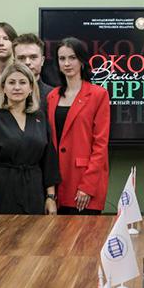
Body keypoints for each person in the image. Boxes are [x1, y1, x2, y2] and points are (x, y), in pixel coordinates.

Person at [0, 63, 60, 220]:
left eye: (22, 82)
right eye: (11, 82)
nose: (17, 87)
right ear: (3, 88)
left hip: (34, 195)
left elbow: (49, 161)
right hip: (1, 194)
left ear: (31, 88)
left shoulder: (39, 117)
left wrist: (50, 197)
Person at [46, 37, 110, 215]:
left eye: (72, 58)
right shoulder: (52, 96)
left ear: (82, 61)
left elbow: (100, 145)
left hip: (84, 183)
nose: (67, 63)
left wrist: (87, 186)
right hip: (57, 182)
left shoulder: (98, 95)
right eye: (62, 58)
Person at [12, 33, 55, 113]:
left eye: (33, 57)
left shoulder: (54, 96)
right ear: (14, 62)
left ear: (42, 61)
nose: (27, 62)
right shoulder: (2, 96)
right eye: (21, 58)